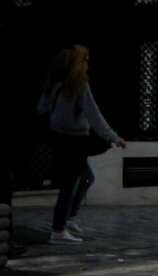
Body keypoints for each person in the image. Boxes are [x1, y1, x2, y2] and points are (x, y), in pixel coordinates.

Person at [36, 45, 127, 245]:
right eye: (85, 60)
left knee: (85, 178)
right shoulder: (79, 85)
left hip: (60, 136)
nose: (88, 64)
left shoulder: (55, 83)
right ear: (77, 63)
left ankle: (68, 219)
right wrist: (113, 137)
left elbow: (42, 108)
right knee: (70, 184)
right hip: (74, 139)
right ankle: (59, 229)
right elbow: (93, 114)